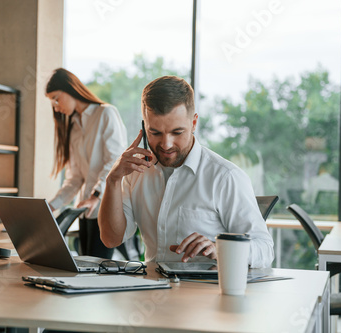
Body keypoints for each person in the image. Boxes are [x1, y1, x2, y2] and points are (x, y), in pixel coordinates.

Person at [98, 76, 274, 268]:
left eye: (177, 132)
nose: (166, 144)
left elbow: (265, 249)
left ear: (194, 123)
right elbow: (111, 239)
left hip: (203, 293)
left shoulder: (225, 177)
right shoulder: (135, 172)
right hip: (150, 291)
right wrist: (113, 180)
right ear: (144, 127)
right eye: (155, 132)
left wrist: (220, 249)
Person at [45, 68, 127, 259]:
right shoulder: (73, 127)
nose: (56, 107)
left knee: (100, 272)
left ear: (70, 88)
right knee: (86, 269)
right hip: (85, 212)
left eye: (56, 99)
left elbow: (115, 162)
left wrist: (96, 195)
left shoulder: (106, 113)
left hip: (105, 208)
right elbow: (75, 178)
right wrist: (51, 206)